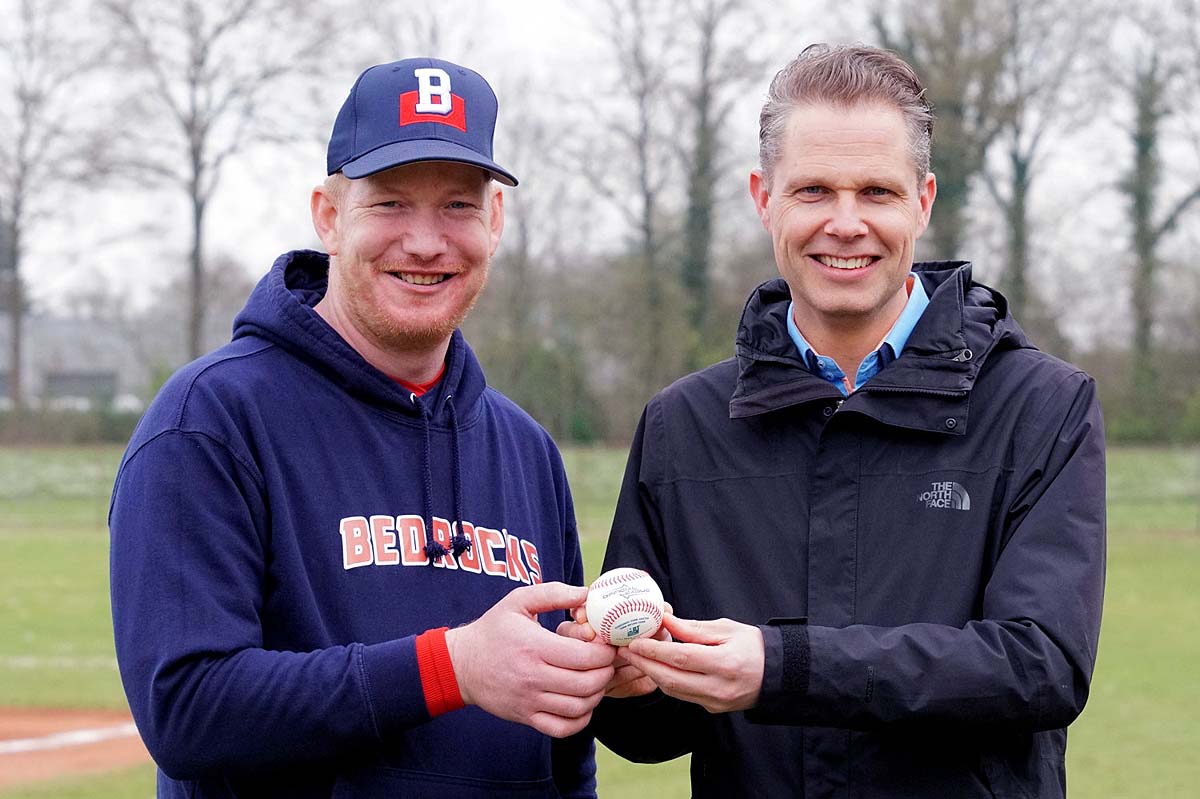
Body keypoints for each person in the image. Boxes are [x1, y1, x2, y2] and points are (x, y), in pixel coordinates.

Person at [576, 44, 1106, 798]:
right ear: (765, 198)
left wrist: (782, 667)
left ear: (922, 202)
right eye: (815, 189)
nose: (846, 223)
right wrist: (628, 684)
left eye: (877, 192)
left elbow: (1040, 666)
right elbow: (653, 734)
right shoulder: (681, 425)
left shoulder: (1042, 406)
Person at [109, 57, 615, 799]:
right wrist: (452, 668)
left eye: (457, 206)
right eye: (389, 203)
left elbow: (564, 749)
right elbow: (186, 709)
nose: (424, 241)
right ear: (327, 215)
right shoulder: (211, 418)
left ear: (495, 221)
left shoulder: (525, 449)